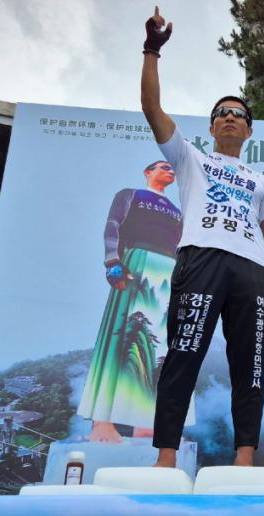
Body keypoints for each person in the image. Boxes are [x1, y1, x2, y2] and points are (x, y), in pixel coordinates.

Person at [141, 7, 264, 468]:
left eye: (238, 114)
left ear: (248, 130)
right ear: (211, 127)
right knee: (184, 352)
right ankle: (166, 457)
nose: (229, 118)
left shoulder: (261, 180)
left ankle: (244, 458)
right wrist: (151, 50)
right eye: (221, 114)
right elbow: (152, 109)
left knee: (249, 363)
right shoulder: (190, 158)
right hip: (202, 259)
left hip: (250, 270)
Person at [77, 160, 195, 442]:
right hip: (137, 265)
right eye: (162, 167)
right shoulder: (130, 195)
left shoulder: (177, 211)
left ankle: (147, 422)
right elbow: (112, 227)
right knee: (122, 336)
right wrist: (112, 262)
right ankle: (102, 422)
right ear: (148, 172)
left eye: (172, 169)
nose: (169, 171)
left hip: (169, 275)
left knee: (162, 347)